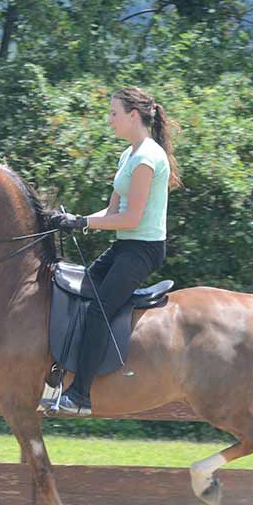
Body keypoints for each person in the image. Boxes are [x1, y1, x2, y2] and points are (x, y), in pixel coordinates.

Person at [46, 86, 183, 415]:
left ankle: (80, 396)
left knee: (98, 311)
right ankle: (57, 377)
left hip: (143, 250)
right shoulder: (128, 155)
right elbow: (111, 213)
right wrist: (73, 220)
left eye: (114, 114)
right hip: (125, 245)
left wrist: (83, 223)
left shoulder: (148, 158)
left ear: (133, 116)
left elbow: (132, 217)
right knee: (77, 293)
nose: (109, 121)